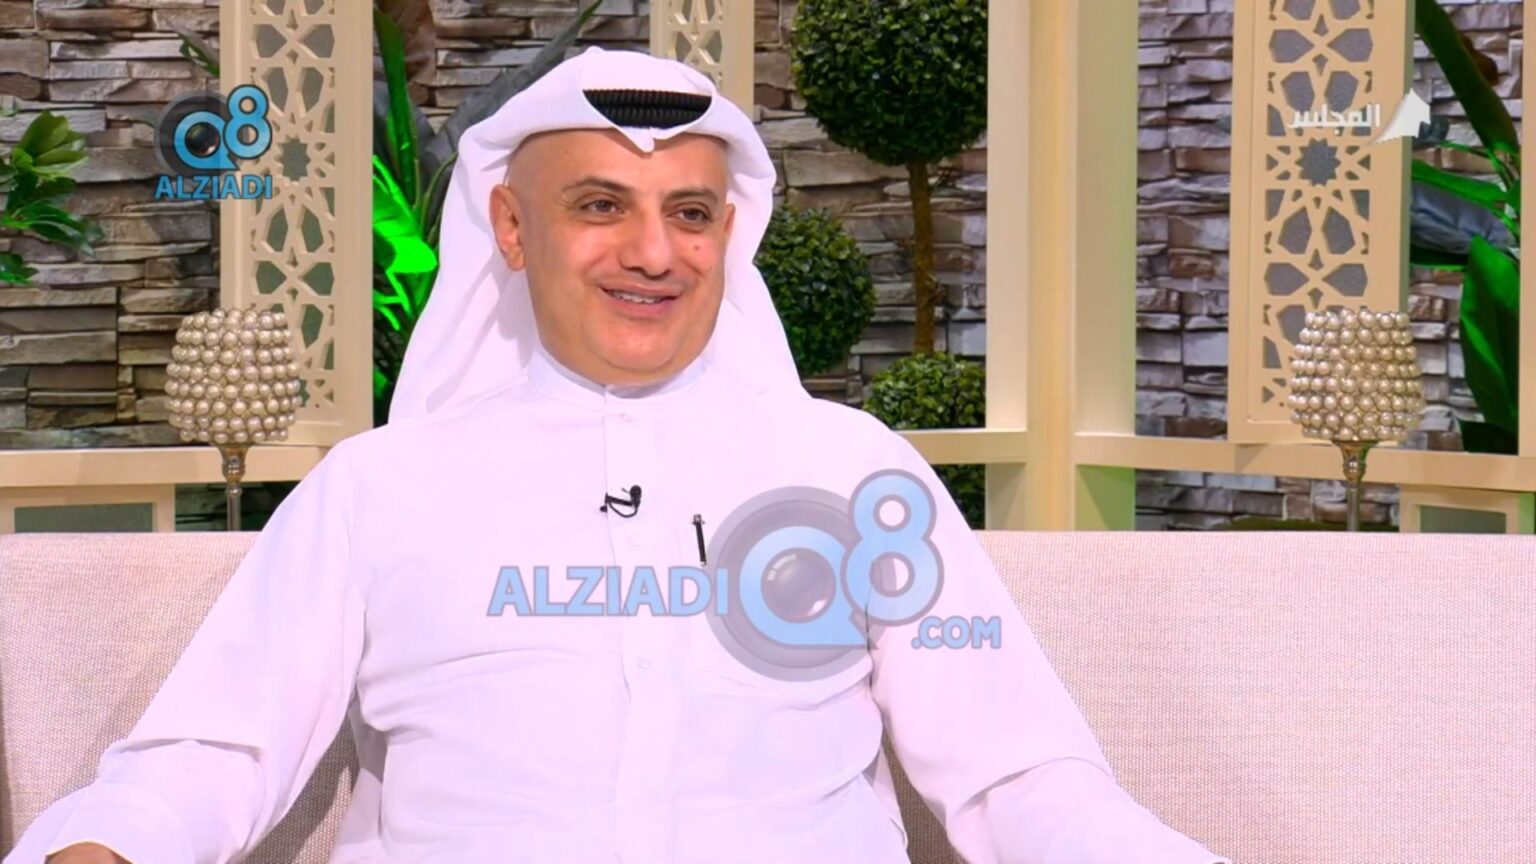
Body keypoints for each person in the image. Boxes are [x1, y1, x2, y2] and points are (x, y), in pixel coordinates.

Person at [10, 48, 1231, 864]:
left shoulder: (856, 475)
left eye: (689, 213)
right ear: (511, 226)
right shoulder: (379, 490)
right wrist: (107, 845)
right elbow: (213, 750)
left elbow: (1020, 776)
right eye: (600, 205)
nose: (653, 252)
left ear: (726, 234)